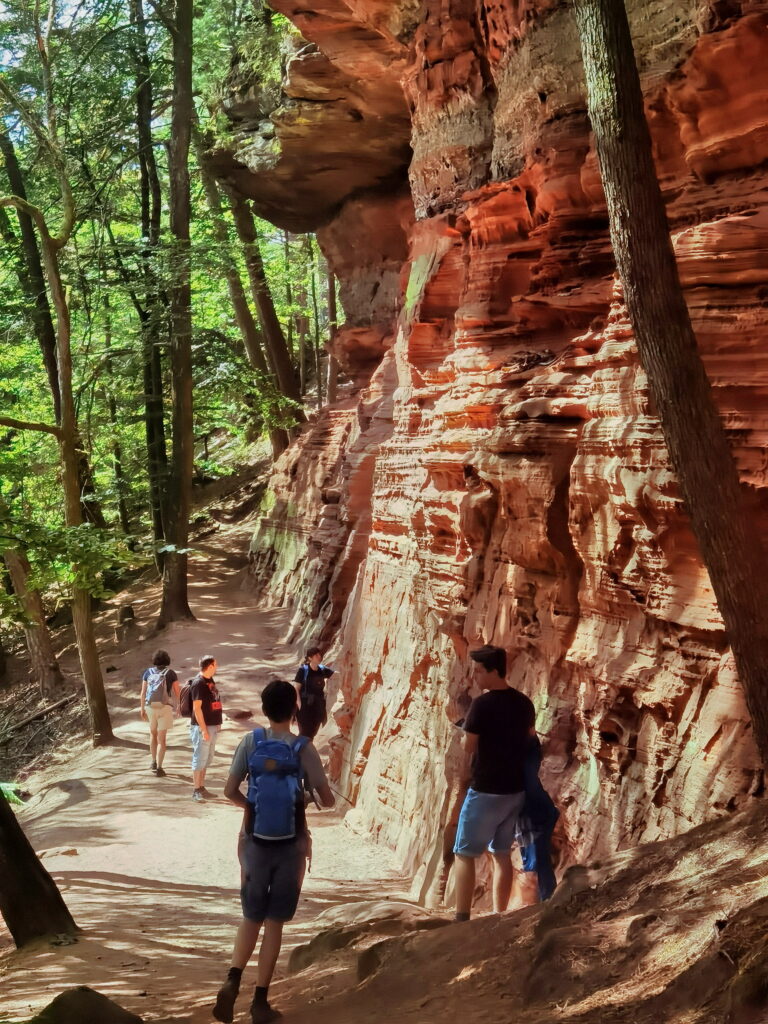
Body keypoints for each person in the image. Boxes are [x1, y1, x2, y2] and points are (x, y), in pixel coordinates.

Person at [213, 679, 335, 1024]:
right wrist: (306, 796)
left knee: (251, 916)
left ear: (265, 710)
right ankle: (260, 1003)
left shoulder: (251, 742)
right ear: (294, 710)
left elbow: (228, 790)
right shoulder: (303, 748)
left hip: (253, 841)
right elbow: (326, 800)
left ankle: (232, 979)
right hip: (291, 845)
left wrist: (251, 807)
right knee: (275, 923)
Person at [453, 644, 535, 921]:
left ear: (493, 671)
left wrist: (464, 731)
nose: (475, 676)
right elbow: (530, 737)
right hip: (515, 789)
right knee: (501, 852)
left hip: (486, 789)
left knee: (464, 853)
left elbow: (469, 747)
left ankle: (461, 917)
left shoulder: (481, 705)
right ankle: (498, 915)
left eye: (479, 670)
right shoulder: (524, 702)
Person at [519, 736, 559, 901]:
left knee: (538, 856)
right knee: (539, 857)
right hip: (537, 809)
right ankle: (546, 898)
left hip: (534, 811)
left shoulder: (523, 764)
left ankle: (547, 899)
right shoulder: (529, 748)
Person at [139, 649, 180, 777]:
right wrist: (178, 706)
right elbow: (177, 692)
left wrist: (142, 709)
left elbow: (143, 693)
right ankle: (160, 768)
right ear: (167, 660)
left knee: (153, 734)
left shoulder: (147, 672)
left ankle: (153, 762)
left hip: (150, 707)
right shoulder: (171, 673)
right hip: (165, 707)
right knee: (162, 740)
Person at [189, 655, 222, 803]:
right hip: (202, 726)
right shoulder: (198, 683)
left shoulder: (209, 681)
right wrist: (203, 730)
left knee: (206, 758)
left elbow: (214, 700)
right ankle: (196, 790)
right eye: (215, 665)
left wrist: (217, 721)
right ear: (209, 666)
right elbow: (197, 708)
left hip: (212, 725)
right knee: (199, 757)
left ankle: (202, 787)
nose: (217, 667)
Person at [293, 646, 334, 740]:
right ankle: (300, 751)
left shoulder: (322, 669)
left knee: (313, 732)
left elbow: (336, 675)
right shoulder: (303, 670)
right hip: (305, 706)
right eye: (316, 655)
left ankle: (304, 750)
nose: (319, 656)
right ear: (310, 658)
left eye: (319, 654)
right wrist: (299, 704)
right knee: (305, 732)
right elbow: (296, 688)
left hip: (318, 706)